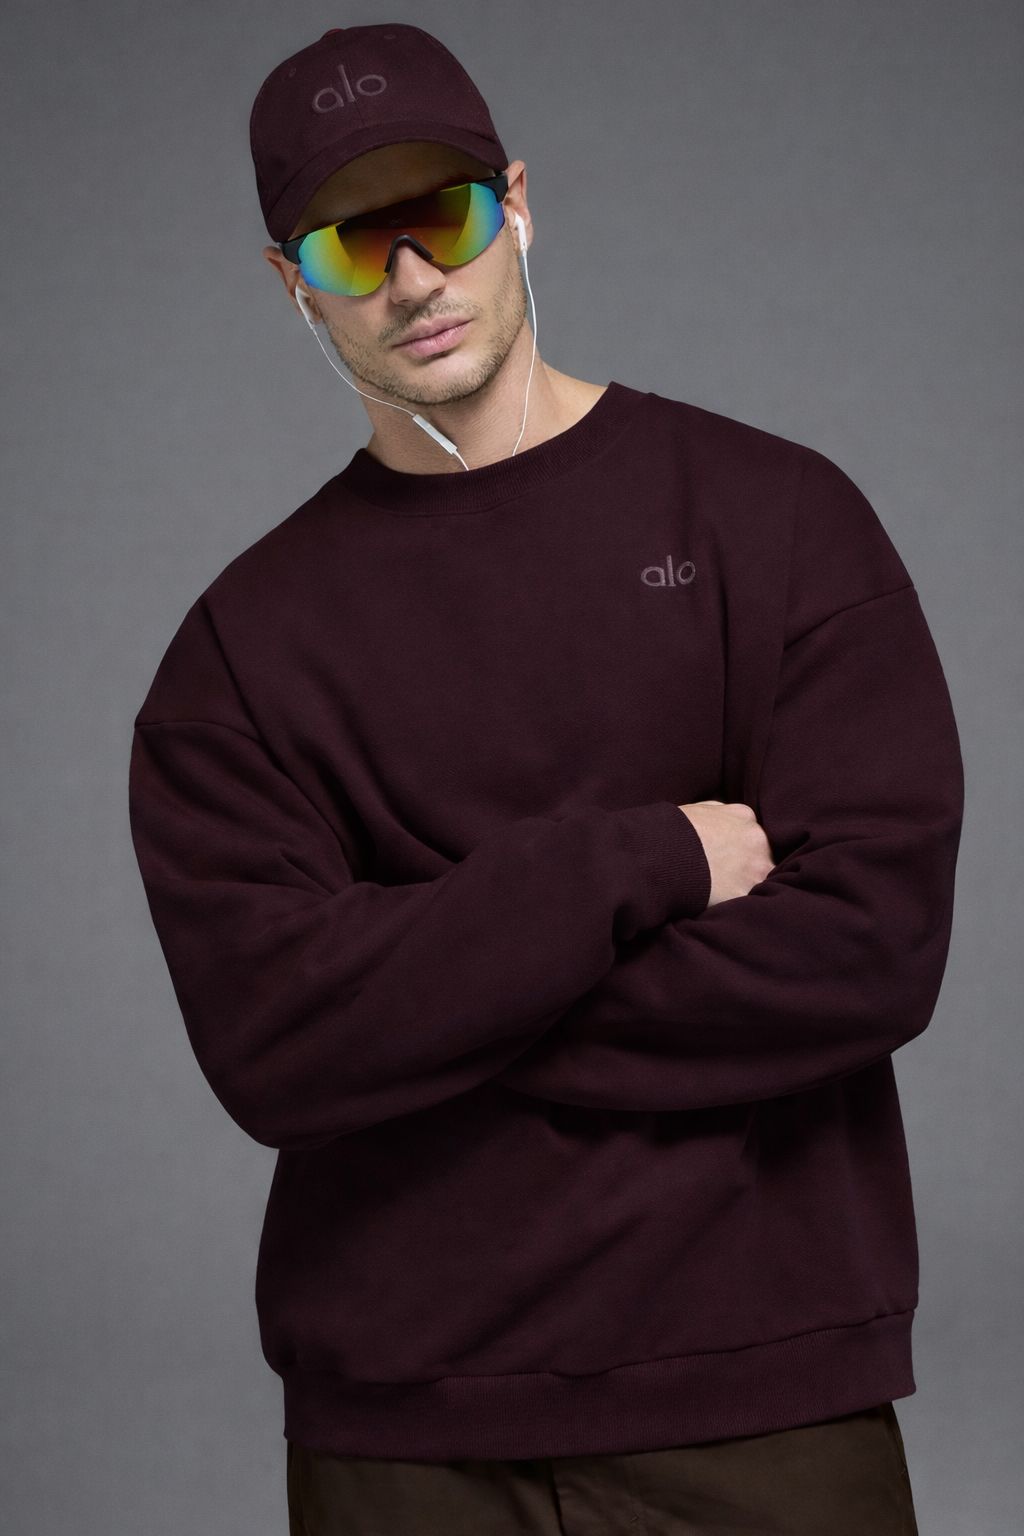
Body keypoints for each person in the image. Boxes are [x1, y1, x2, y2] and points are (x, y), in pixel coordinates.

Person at [128, 21, 963, 1534]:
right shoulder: (238, 656)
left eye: (439, 218)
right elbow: (274, 1042)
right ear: (290, 281)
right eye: (350, 244)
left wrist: (431, 999)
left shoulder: (778, 521)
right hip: (403, 1435)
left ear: (515, 203)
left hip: (765, 1399)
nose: (411, 280)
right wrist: (638, 867)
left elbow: (871, 946)